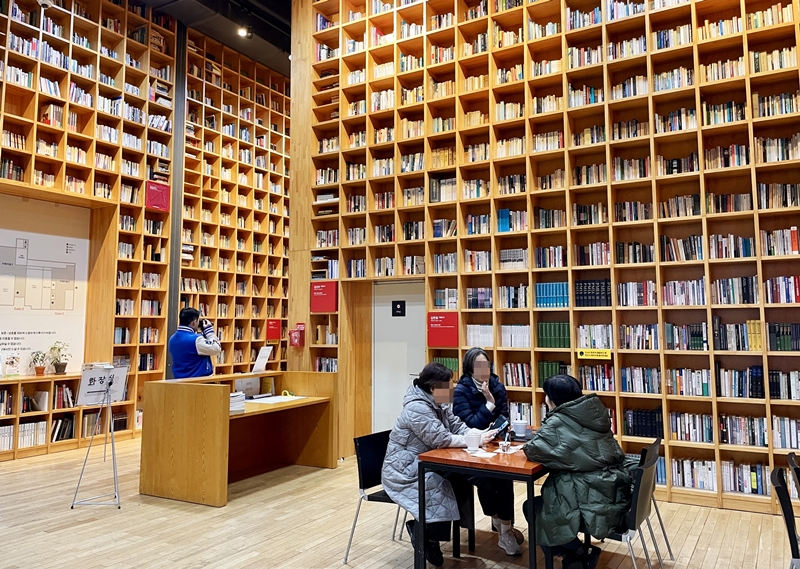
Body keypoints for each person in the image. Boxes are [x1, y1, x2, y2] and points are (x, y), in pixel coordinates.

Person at [381, 362, 496, 567]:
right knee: (440, 486)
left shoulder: (438, 401)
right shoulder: (416, 407)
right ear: (434, 388)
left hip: (426, 461)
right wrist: (476, 441)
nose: (452, 389)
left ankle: (426, 533)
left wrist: (476, 434)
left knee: (461, 481)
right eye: (448, 385)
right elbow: (440, 439)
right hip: (403, 469)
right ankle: (428, 538)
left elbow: (456, 425)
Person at [522, 374, 632, 569]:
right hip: (613, 491)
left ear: (551, 399)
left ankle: (575, 553)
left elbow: (533, 449)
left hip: (592, 501)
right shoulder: (593, 412)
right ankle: (576, 556)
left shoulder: (559, 421)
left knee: (532, 507)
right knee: (542, 503)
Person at [452, 347, 522, 556]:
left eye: (487, 365)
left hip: (494, 446)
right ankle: (499, 521)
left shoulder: (497, 385)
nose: (484, 370)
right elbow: (470, 425)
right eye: (478, 366)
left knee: (505, 477)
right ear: (469, 368)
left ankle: (504, 529)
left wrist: (502, 427)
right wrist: (489, 404)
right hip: (466, 450)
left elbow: (503, 417)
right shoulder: (461, 390)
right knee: (486, 478)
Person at [168, 307, 222, 379]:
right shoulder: (196, 340)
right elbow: (216, 348)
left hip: (179, 381)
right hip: (198, 382)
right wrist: (209, 332)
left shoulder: (172, 339)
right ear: (194, 322)